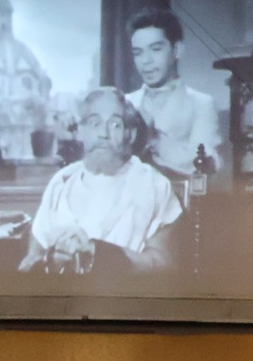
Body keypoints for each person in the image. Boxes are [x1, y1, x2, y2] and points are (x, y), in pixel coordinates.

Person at [18, 88, 182, 274]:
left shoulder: (154, 186)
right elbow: (30, 262)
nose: (103, 133)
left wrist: (98, 254)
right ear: (82, 131)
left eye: (115, 124)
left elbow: (162, 265)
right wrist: (52, 261)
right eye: (94, 123)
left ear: (130, 133)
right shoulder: (62, 183)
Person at [123, 9, 224, 180]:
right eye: (138, 53)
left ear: (177, 50)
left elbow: (203, 164)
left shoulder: (201, 104)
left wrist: (152, 138)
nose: (146, 61)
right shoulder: (126, 102)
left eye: (155, 49)